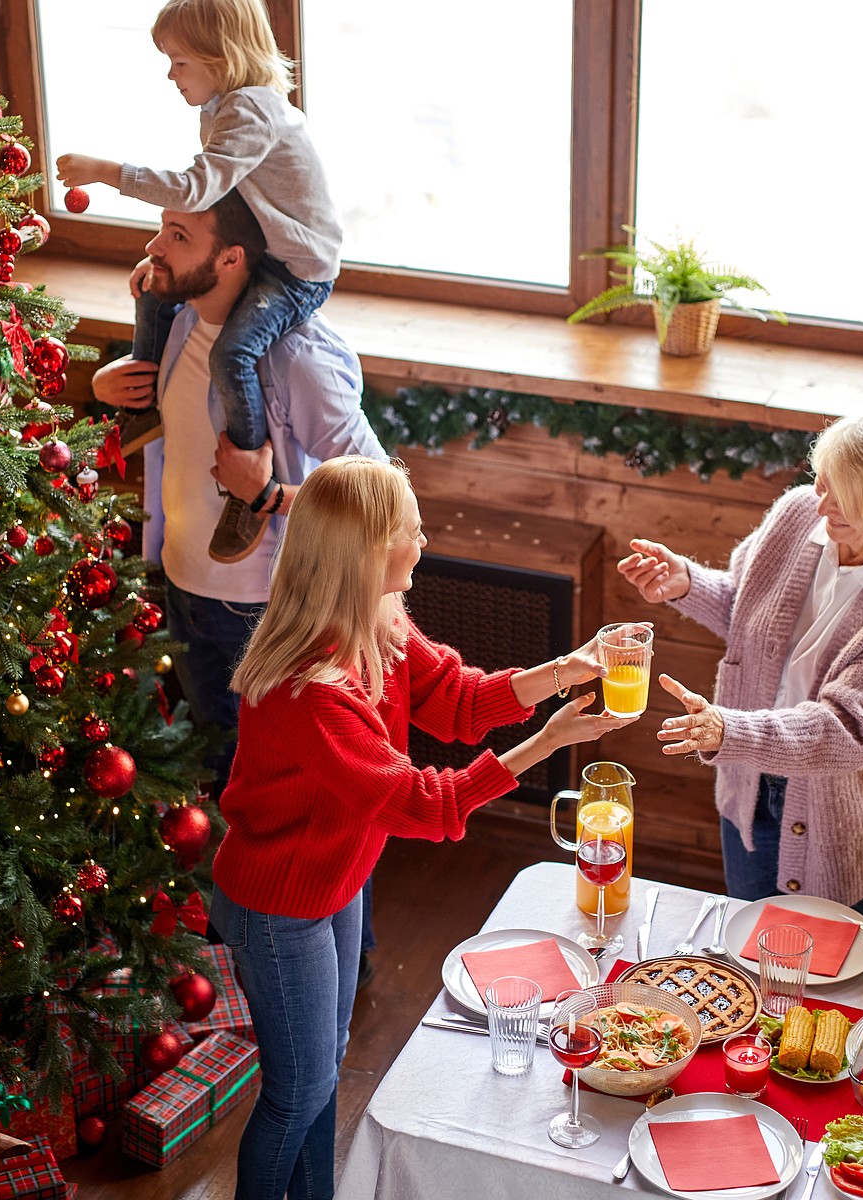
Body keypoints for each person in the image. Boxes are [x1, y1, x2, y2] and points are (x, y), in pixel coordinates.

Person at [211, 456, 637, 1200]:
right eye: (412, 529)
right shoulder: (311, 691)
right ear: (368, 550)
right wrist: (545, 745)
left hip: (334, 879)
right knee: (295, 1093)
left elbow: (459, 700)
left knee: (325, 1067)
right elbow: (416, 802)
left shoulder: (377, 618)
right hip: (279, 909)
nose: (424, 540)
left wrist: (569, 667)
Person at [90, 190, 384, 971]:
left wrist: (266, 496)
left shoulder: (299, 360)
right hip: (186, 589)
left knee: (295, 800)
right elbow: (162, 428)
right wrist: (104, 389)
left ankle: (324, 962)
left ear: (231, 259)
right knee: (229, 782)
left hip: (271, 612)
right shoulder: (180, 320)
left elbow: (381, 493)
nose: (157, 245)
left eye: (177, 234)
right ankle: (251, 952)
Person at [617, 400, 863, 922]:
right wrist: (687, 583)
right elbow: (748, 610)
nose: (822, 504)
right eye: (823, 482)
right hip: (750, 784)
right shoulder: (798, 513)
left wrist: (726, 732)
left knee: (816, 980)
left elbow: (846, 730)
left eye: (844, 498)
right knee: (747, 948)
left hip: (840, 819)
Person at [58, 0, 341, 565]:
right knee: (153, 289)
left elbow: (196, 191)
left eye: (180, 62)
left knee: (232, 355)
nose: (171, 75)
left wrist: (107, 172)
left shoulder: (252, 112)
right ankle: (145, 407)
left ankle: (246, 485)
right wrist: (170, 260)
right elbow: (218, 202)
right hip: (263, 248)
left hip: (297, 269)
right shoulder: (222, 108)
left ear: (222, 57)